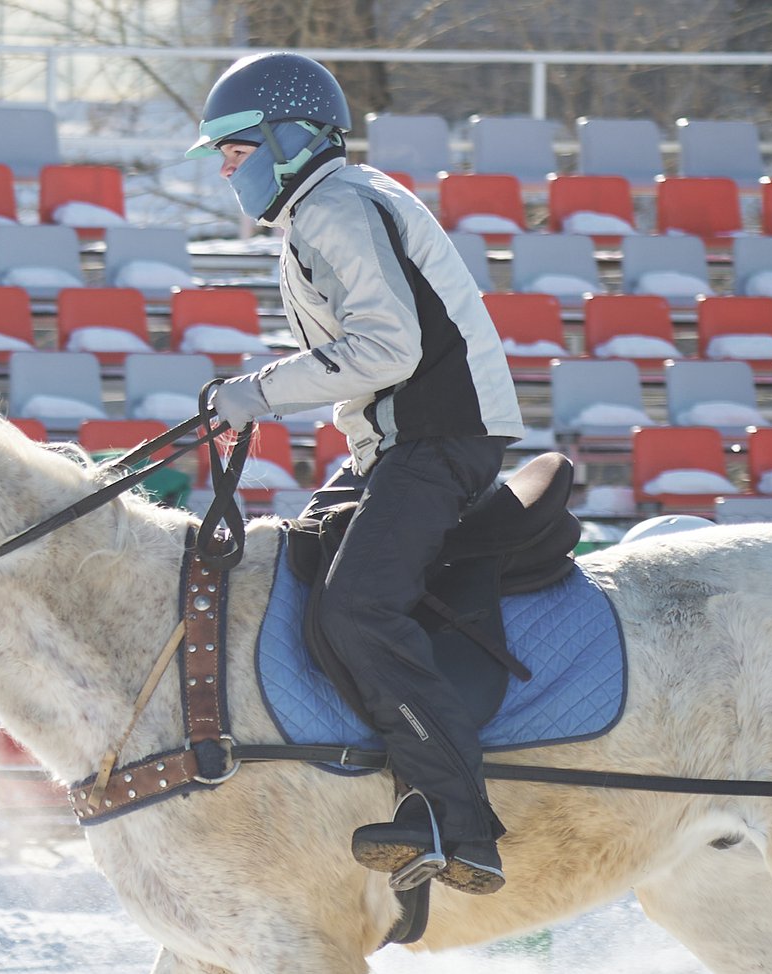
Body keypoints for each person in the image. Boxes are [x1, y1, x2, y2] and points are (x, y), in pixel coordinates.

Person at [188, 52, 526, 895]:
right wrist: (251, 395)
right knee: (298, 561)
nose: (228, 169)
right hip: (397, 447)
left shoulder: (333, 206)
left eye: (236, 148)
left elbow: (388, 349)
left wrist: (257, 394)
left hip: (439, 441)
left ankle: (460, 821)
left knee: (359, 604)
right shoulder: (326, 204)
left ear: (288, 137)